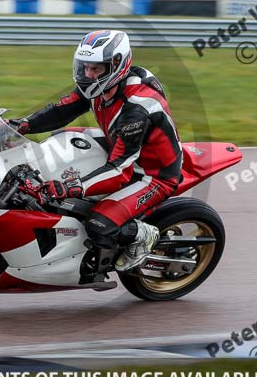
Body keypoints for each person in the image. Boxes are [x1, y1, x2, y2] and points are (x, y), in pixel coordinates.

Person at [9, 30, 183, 284]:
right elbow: (62, 110)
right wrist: (24, 125)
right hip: (119, 145)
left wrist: (71, 186)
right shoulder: (103, 84)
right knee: (55, 146)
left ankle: (142, 235)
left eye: (96, 68)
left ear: (116, 66)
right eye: (85, 67)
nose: (88, 75)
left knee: (97, 222)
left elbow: (120, 170)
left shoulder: (135, 110)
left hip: (150, 174)